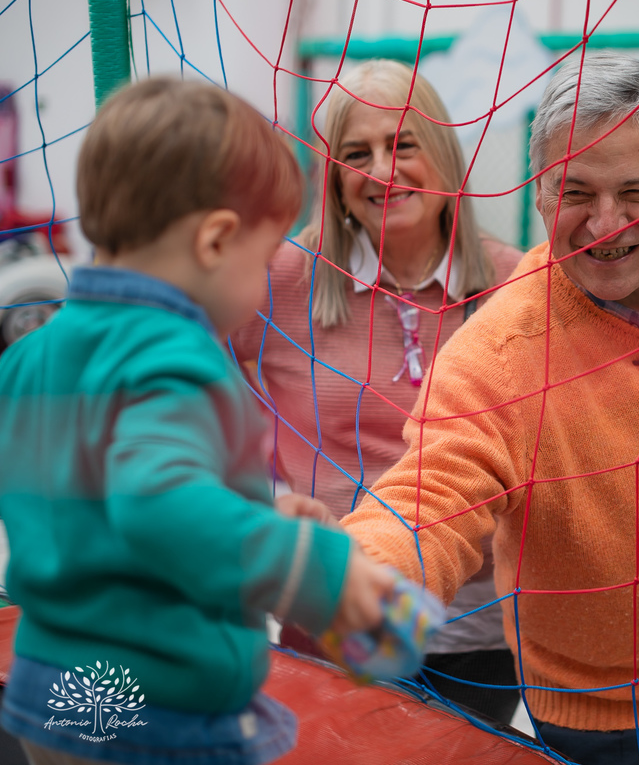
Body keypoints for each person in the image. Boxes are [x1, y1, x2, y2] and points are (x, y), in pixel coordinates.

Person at [342, 51, 639, 764]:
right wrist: (346, 570)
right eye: (576, 192)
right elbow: (427, 495)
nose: (606, 221)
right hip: (616, 725)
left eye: (638, 190)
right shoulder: (501, 354)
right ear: (539, 194)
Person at [0, 79, 404, 765]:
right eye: (263, 257)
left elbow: (100, 490)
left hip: (50, 682)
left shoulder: (32, 355)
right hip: (151, 699)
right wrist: (317, 568)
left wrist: (261, 509)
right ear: (217, 240)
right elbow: (159, 504)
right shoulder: (171, 353)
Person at [229, 59, 523, 723]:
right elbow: (185, 363)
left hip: (479, 632)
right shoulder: (285, 278)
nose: (383, 170)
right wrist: (262, 496)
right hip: (335, 616)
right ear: (334, 182)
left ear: (444, 156)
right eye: (357, 153)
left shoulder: (515, 282)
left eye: (404, 144)